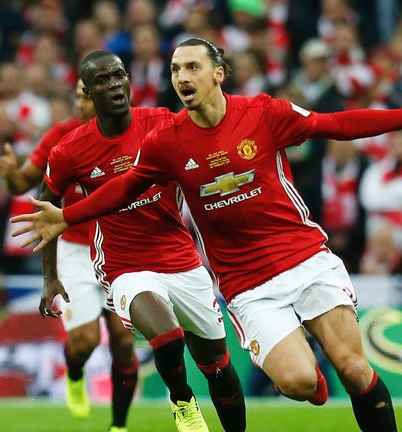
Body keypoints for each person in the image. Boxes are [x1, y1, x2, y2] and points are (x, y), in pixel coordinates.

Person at [13, 38, 402, 432]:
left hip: (303, 256)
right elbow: (124, 188)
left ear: (219, 73)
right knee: (297, 384)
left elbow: (334, 124)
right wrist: (67, 217)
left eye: (192, 67)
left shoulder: (263, 114)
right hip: (246, 284)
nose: (181, 76)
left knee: (354, 368)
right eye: (175, 69)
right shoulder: (166, 141)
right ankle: (288, 382)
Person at [26, 52, 246, 432]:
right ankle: (181, 401)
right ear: (87, 92)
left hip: (182, 260)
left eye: (119, 76)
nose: (114, 85)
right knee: (167, 337)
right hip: (124, 265)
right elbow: (47, 208)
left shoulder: (162, 123)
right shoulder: (70, 149)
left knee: (218, 364)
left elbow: (209, 141)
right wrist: (50, 277)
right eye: (103, 81)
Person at [0, 79, 139, 432]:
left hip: (121, 245)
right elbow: (24, 183)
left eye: (86, 96)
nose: (79, 103)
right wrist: (12, 175)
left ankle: (118, 426)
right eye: (76, 95)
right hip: (75, 250)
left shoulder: (136, 130)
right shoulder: (61, 136)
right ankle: (74, 372)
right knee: (86, 341)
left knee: (122, 341)